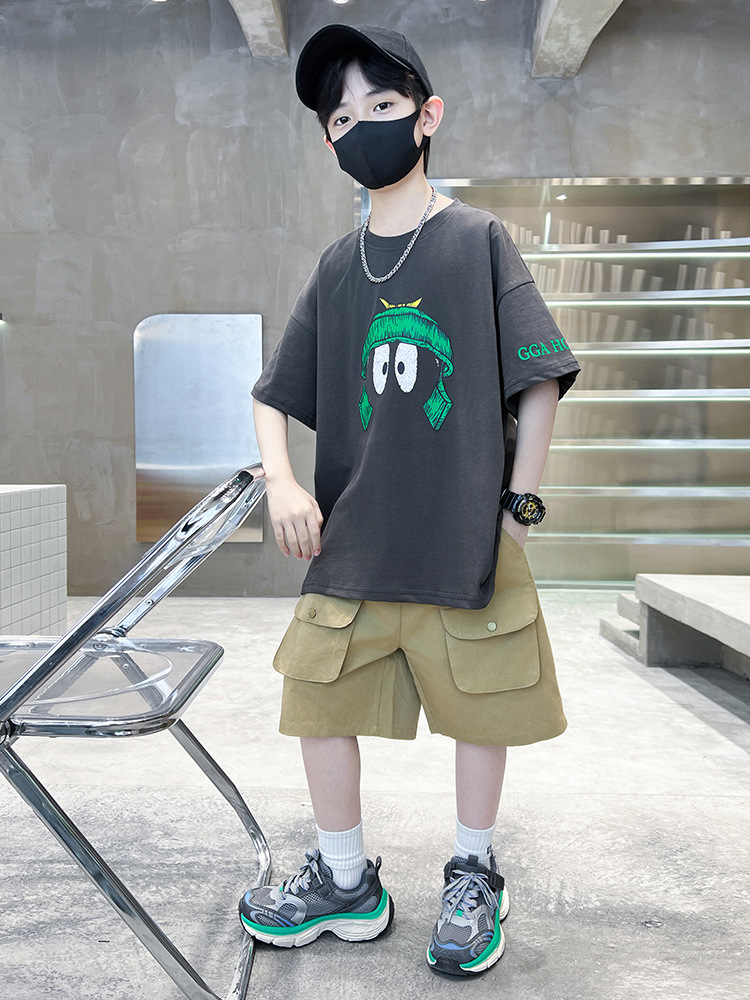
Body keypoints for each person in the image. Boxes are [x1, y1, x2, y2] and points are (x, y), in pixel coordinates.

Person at [239, 23, 581, 978]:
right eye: (342, 118)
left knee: (482, 706)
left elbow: (539, 377)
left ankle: (472, 871)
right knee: (317, 699)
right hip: (355, 541)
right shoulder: (337, 266)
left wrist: (519, 507)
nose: (363, 127)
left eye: (382, 106)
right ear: (329, 141)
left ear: (427, 116)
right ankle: (345, 880)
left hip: (464, 537)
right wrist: (284, 482)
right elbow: (272, 395)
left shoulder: (476, 240)